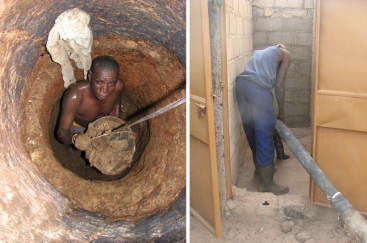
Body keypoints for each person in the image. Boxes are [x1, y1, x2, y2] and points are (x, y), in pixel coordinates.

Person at [235, 44, 291, 195]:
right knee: (265, 133)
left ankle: (259, 172)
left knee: (252, 130)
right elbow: (279, 84)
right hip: (257, 91)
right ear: (284, 47)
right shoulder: (285, 54)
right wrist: (282, 111)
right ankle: (266, 183)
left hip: (240, 86)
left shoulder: (259, 53)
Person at [57, 55, 125, 145]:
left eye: (111, 83)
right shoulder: (76, 95)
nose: (105, 90)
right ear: (90, 76)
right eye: (99, 82)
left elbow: (116, 104)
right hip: (79, 128)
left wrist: (114, 127)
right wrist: (76, 139)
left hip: (101, 126)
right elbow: (62, 131)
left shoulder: (118, 87)